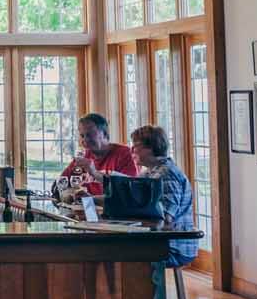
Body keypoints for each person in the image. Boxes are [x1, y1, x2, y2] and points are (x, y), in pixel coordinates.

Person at [82, 124, 197, 268]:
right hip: (157, 241)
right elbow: (126, 199)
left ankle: (133, 290)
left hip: (173, 246)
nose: (131, 150)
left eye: (135, 146)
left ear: (150, 148)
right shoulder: (149, 172)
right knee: (104, 249)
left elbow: (165, 220)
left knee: (109, 251)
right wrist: (89, 199)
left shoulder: (167, 175)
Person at [54, 113, 138, 201]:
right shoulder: (84, 156)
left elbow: (129, 191)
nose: (85, 140)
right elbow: (60, 184)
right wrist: (69, 194)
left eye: (90, 135)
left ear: (105, 134)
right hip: (85, 210)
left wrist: (93, 172)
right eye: (82, 136)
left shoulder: (124, 153)